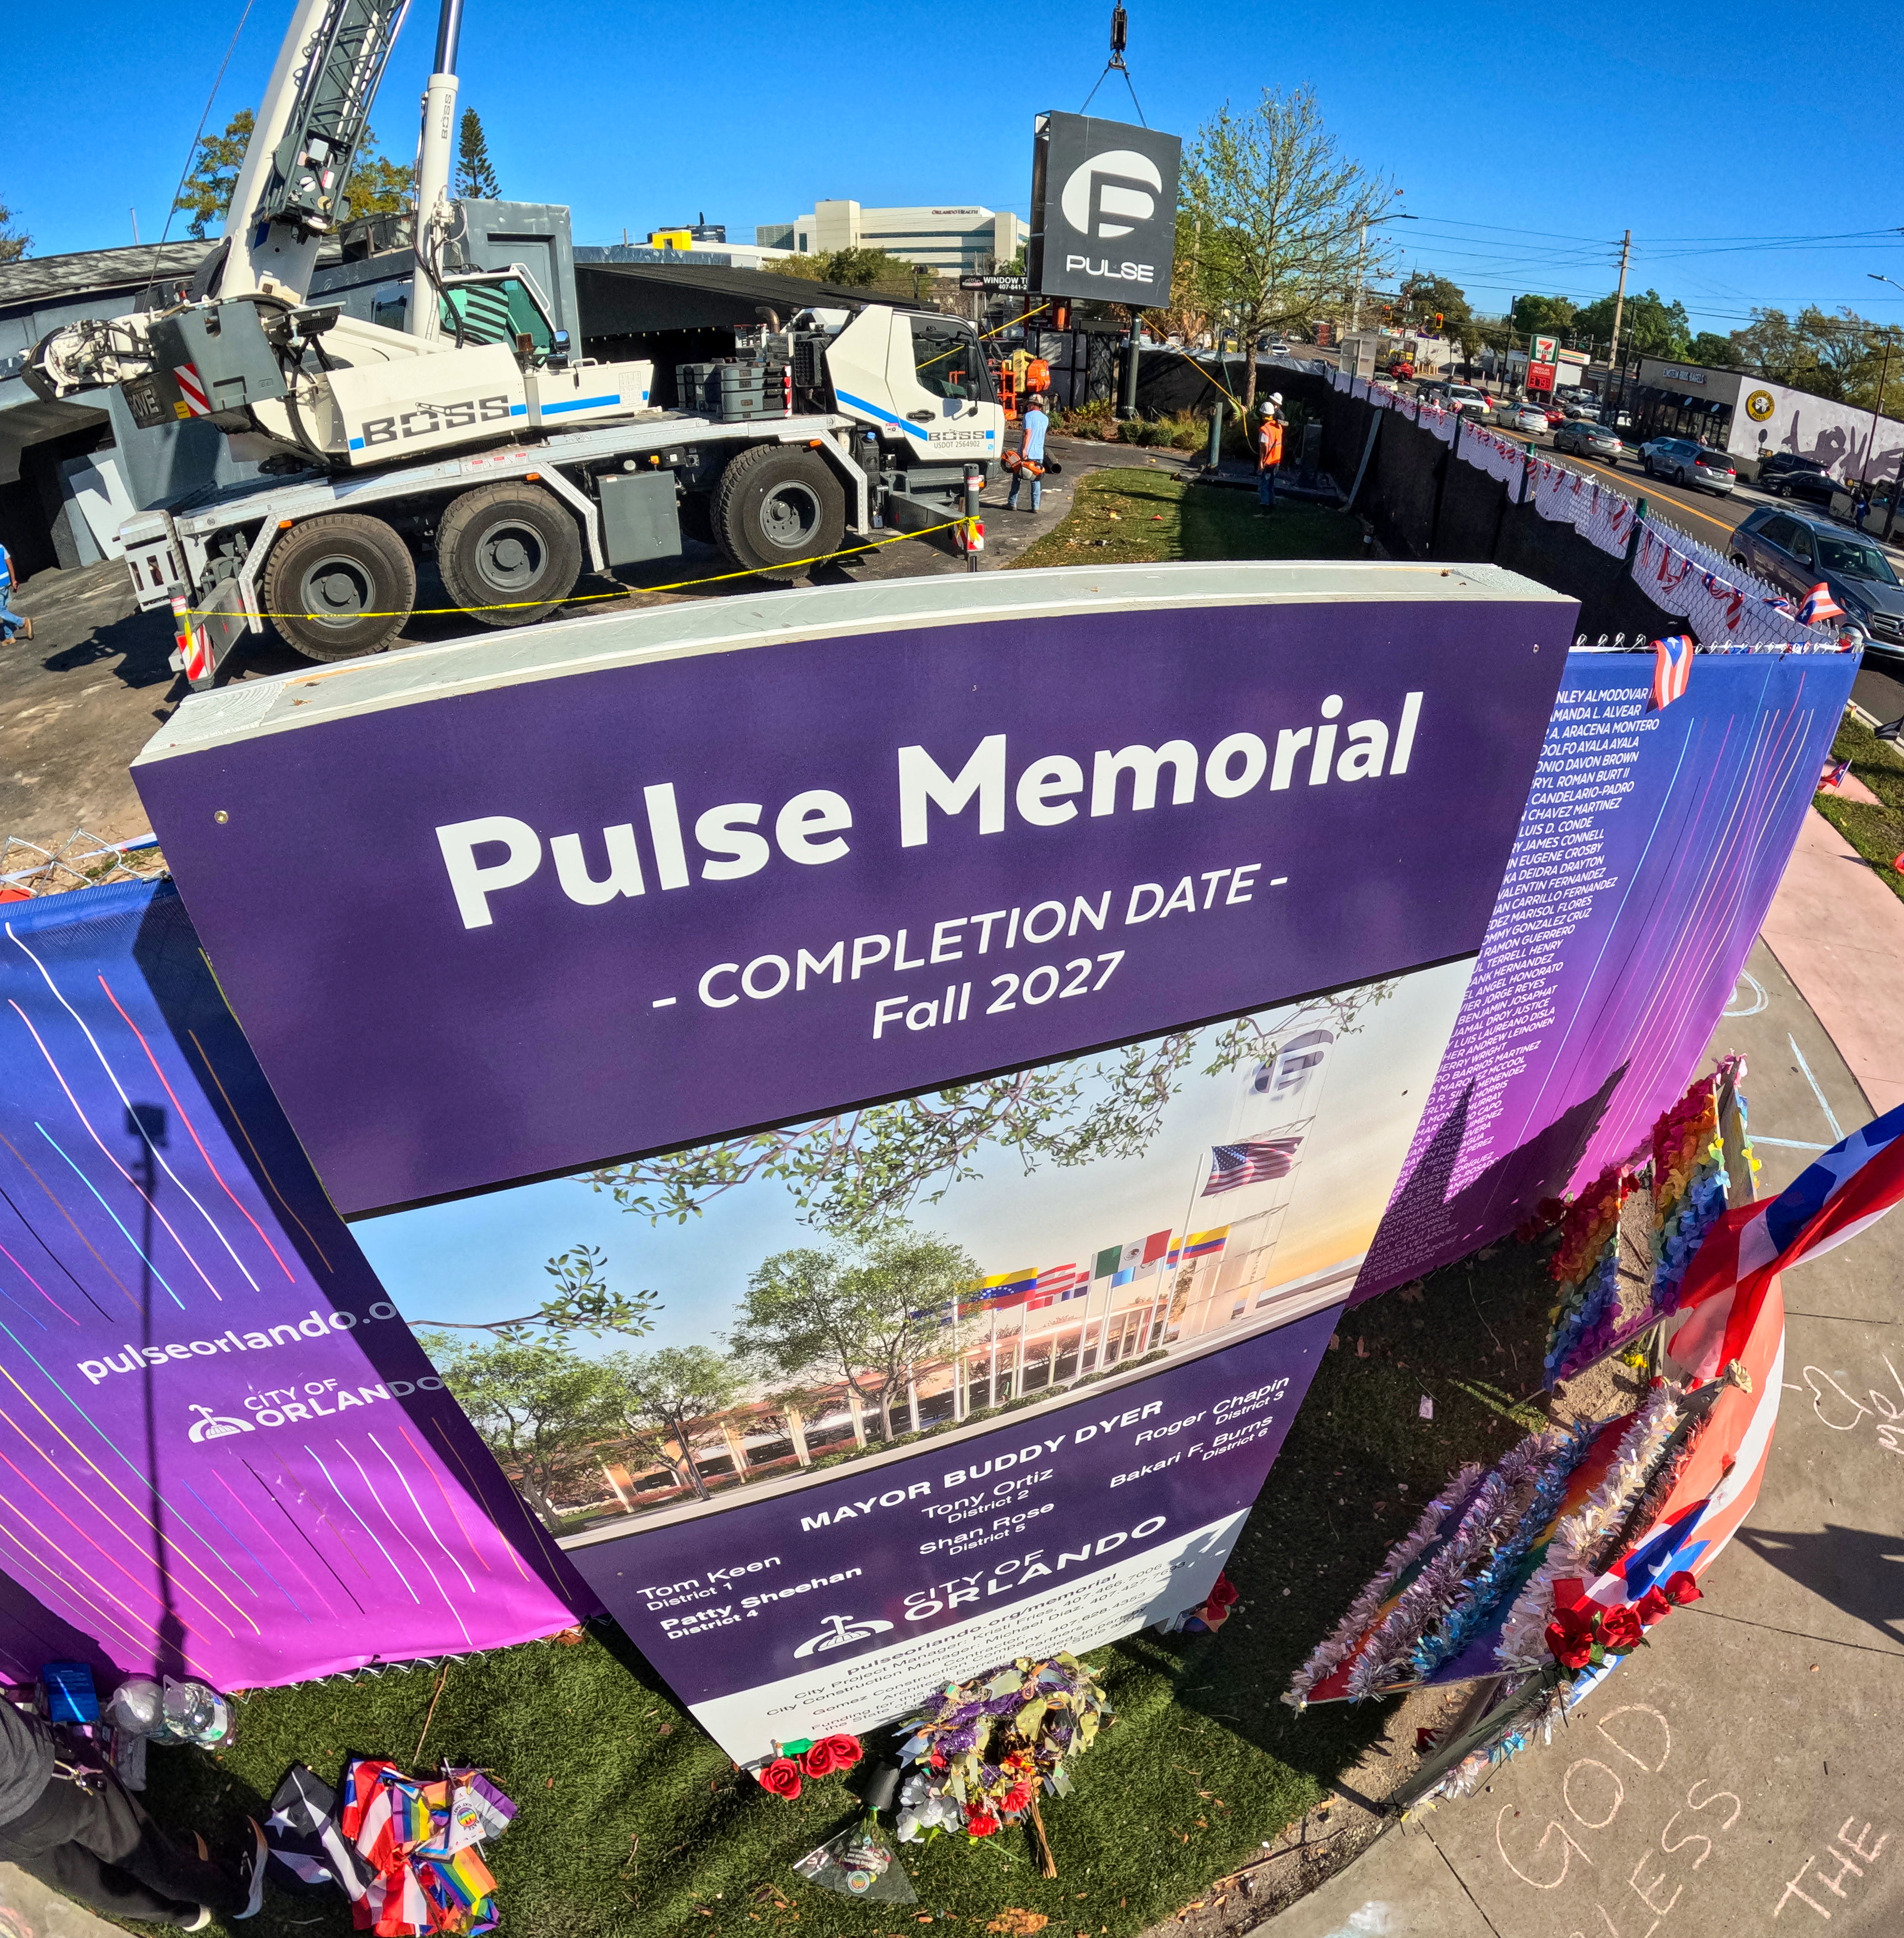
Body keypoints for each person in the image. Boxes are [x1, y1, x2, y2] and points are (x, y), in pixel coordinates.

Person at [0, 1697, 264, 1928]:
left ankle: (186, 1912)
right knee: (141, 1850)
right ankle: (236, 1893)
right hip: (34, 1776)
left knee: (83, 1876)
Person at [1008, 394, 1049, 513]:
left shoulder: (1028, 416)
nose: (1027, 407)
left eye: (1028, 405)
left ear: (1032, 405)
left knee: (1017, 477)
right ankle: (1035, 506)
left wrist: (1024, 450)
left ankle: (1012, 503)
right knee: (1036, 479)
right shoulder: (1046, 419)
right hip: (1039, 453)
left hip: (1027, 453)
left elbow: (1027, 433)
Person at [1256, 397, 1286, 511]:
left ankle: (1265, 510)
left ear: (1264, 415)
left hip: (1268, 463)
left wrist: (1261, 463)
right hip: (1276, 461)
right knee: (1271, 485)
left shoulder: (1265, 429)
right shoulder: (1278, 427)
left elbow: (1264, 447)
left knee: (1264, 485)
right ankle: (1272, 505)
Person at [0, 542, 31, 644]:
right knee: (4, 610)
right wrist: (13, 580)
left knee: (1, 612)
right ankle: (10, 637)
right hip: (6, 581)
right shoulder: (1, 546)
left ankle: (23, 622)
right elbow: (9, 562)